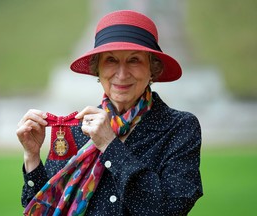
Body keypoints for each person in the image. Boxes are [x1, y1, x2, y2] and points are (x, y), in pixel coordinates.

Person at [16, 10, 203, 216]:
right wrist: (32, 157)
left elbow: (170, 209)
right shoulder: (78, 128)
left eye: (134, 60)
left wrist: (109, 145)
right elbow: (45, 208)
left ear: (153, 68)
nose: (121, 74)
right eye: (111, 60)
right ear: (98, 69)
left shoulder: (179, 127)